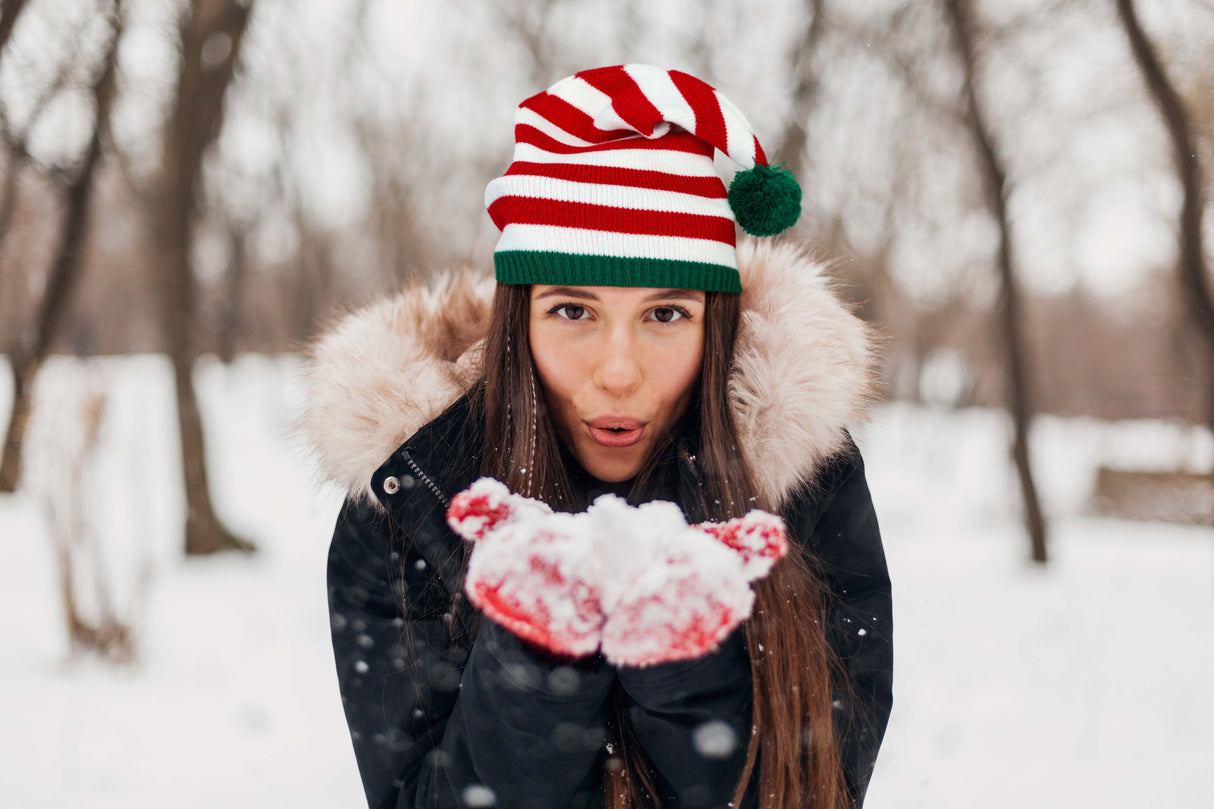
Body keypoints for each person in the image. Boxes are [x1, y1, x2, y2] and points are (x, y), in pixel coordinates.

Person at [303, 64, 892, 809]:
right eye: (574, 312)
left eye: (666, 314)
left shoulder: (806, 490)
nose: (618, 372)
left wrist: (685, 665)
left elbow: (820, 790)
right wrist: (535, 660)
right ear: (521, 319)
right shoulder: (411, 502)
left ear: (718, 326)